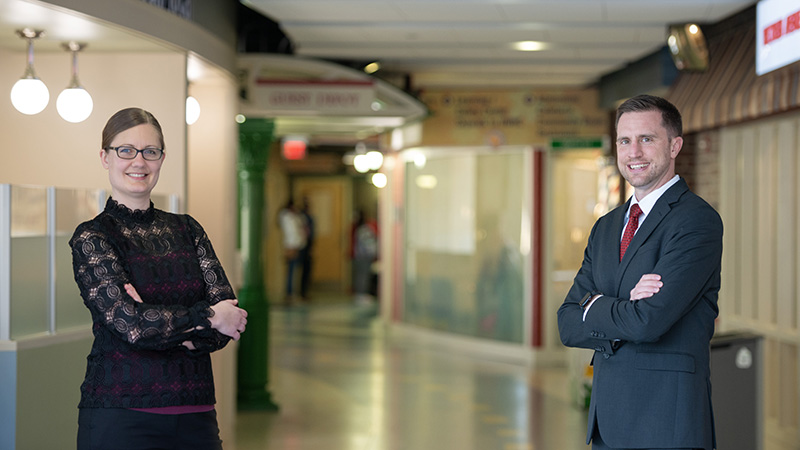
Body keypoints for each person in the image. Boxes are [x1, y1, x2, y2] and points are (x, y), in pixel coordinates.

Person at [70, 107, 248, 450]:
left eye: (150, 152)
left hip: (196, 416)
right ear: (105, 157)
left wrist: (160, 323)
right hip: (121, 415)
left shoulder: (188, 228)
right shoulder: (94, 237)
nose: (139, 162)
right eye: (125, 150)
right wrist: (206, 317)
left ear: (162, 158)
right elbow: (132, 325)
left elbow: (231, 321)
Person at [557, 95, 723, 450]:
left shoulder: (696, 221)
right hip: (607, 425)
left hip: (666, 424)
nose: (634, 152)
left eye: (647, 139)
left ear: (675, 145)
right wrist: (623, 304)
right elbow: (567, 323)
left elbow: (648, 322)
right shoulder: (606, 227)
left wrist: (596, 305)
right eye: (624, 140)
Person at [278, 198, 306, 305]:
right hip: (291, 246)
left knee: (294, 270)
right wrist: (293, 246)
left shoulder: (293, 217)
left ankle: (292, 293)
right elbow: (292, 234)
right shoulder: (287, 217)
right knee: (291, 270)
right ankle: (289, 294)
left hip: (295, 245)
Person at [350, 209, 379, 305]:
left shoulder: (358, 228)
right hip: (364, 257)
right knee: (363, 276)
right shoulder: (364, 229)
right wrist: (375, 253)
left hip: (359, 256)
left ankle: (361, 294)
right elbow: (369, 244)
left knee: (361, 275)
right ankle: (361, 295)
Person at [298, 197, 315, 302]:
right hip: (301, 246)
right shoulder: (302, 218)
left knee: (306, 270)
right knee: (302, 270)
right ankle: (302, 293)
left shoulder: (309, 218)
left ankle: (304, 292)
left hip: (307, 245)